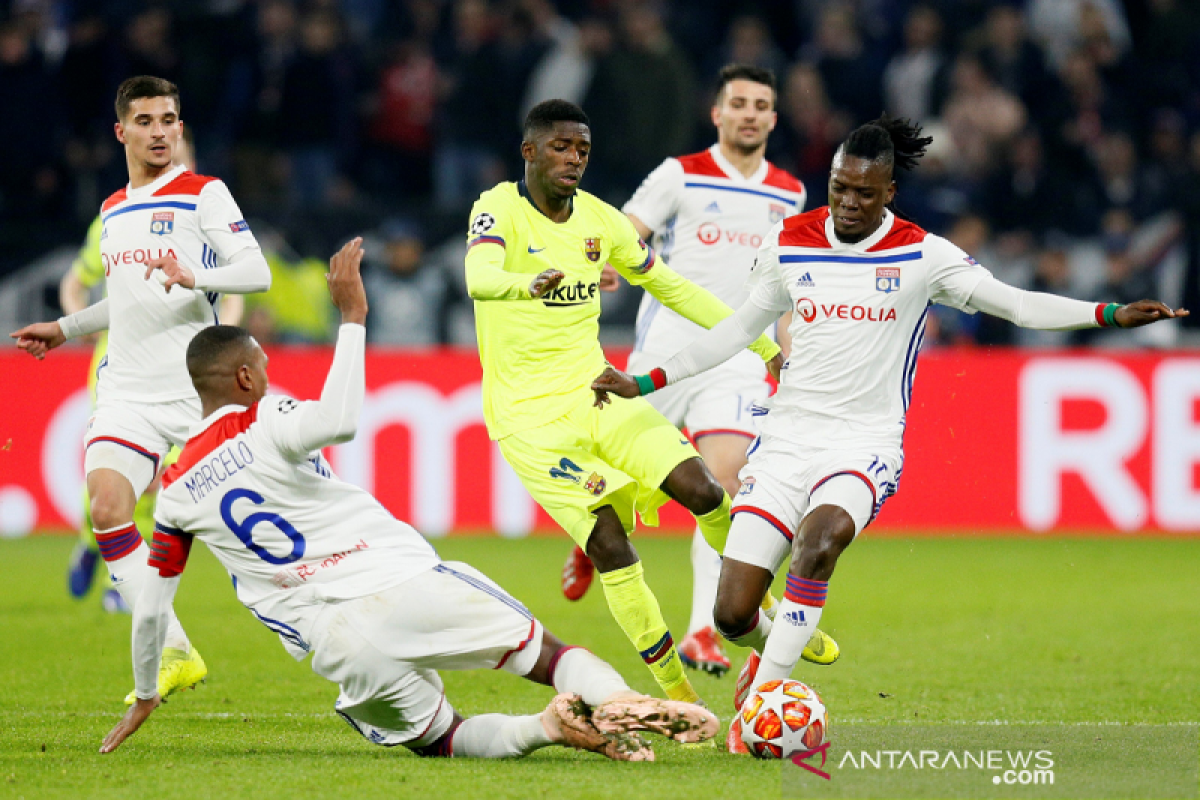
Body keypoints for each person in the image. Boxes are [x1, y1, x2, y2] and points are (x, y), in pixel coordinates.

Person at [591, 114, 1188, 752]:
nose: (847, 203)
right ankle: (765, 653)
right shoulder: (790, 241)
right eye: (839, 187)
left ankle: (764, 695)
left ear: (889, 194)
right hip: (787, 441)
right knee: (732, 615)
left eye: (863, 193)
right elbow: (738, 331)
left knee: (819, 544)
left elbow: (1012, 302)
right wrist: (648, 381)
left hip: (864, 443)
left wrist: (1107, 312)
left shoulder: (923, 255)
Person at [98, 238, 718, 761]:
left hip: (337, 647)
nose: (267, 372)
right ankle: (616, 700)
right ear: (244, 378)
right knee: (546, 656)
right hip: (397, 581)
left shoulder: (175, 490)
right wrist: (352, 318)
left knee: (440, 739)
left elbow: (152, 608)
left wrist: (148, 689)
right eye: (261, 365)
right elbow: (340, 420)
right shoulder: (265, 416)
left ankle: (548, 729)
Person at [464, 99, 781, 705]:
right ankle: (678, 694)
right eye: (560, 147)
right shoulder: (498, 207)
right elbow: (478, 277)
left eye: (582, 149)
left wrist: (761, 343)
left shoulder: (601, 222)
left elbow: (676, 288)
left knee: (707, 491)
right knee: (611, 541)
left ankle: (763, 613)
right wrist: (522, 284)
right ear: (529, 151)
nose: (573, 159)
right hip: (530, 421)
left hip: (597, 393)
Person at [560, 64, 837, 679]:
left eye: (761, 105)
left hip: (737, 361)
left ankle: (700, 634)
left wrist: (792, 350)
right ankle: (593, 541)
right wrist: (607, 263)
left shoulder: (790, 193)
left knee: (728, 487)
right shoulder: (679, 174)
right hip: (664, 355)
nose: (749, 114)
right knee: (611, 481)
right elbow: (626, 232)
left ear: (772, 117)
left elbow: (784, 291)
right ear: (717, 113)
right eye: (738, 103)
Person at [10, 75, 272, 702]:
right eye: (147, 121)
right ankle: (175, 648)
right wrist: (65, 327)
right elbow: (122, 303)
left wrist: (195, 273)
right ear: (121, 131)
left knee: (258, 549)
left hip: (191, 396)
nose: (160, 132)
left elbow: (256, 271)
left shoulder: (205, 193)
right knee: (106, 508)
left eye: (170, 120)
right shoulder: (111, 211)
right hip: (125, 391)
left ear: (180, 129)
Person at [62, 128, 245, 612]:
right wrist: (72, 323)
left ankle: (120, 574)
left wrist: (221, 341)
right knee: (115, 480)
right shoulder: (113, 216)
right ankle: (98, 552)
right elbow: (75, 282)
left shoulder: (204, 209)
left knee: (170, 478)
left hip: (185, 370)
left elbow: (238, 285)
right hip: (119, 366)